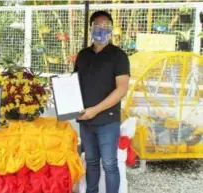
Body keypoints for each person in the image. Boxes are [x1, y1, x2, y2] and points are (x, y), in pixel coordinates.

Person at [74, 11, 130, 193]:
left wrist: (95, 110)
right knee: (91, 162)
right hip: (85, 120)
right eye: (97, 26)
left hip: (108, 120)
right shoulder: (83, 55)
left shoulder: (118, 56)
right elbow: (74, 83)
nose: (101, 30)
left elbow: (121, 89)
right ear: (91, 29)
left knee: (109, 163)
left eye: (105, 26)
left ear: (111, 29)